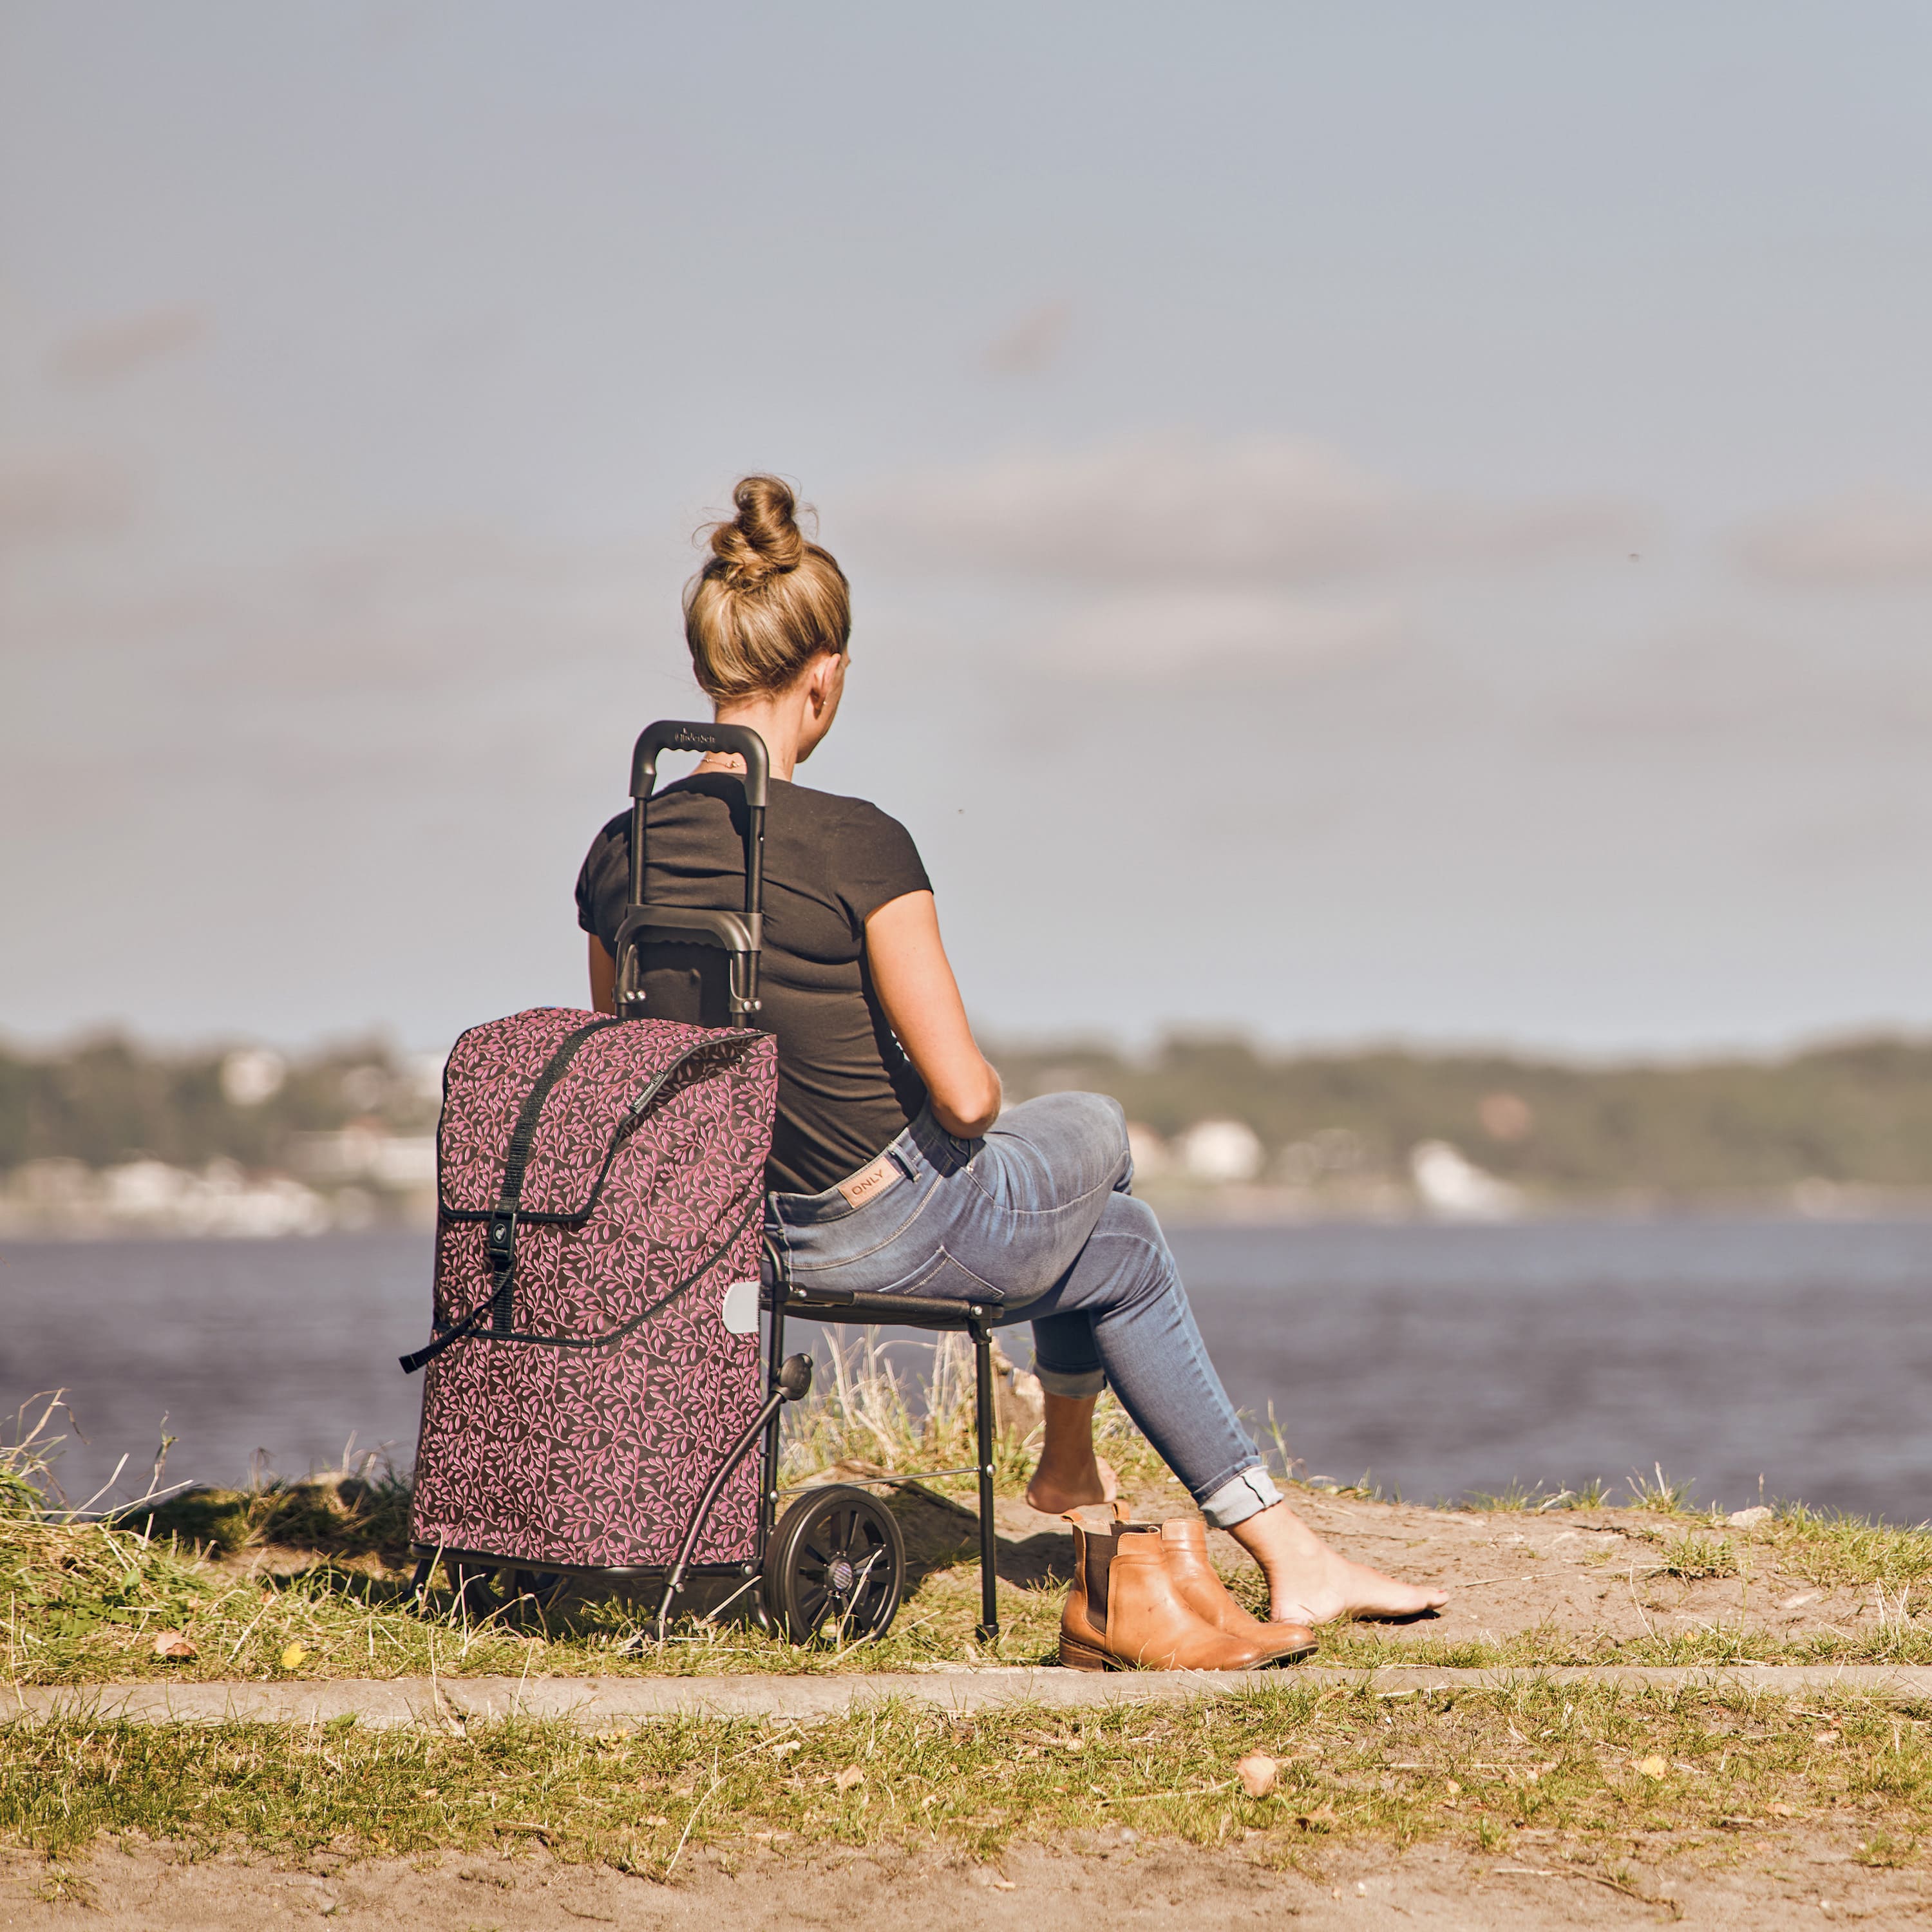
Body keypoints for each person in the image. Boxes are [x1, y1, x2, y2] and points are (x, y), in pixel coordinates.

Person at [576, 475, 1447, 1662]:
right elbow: (972, 1098)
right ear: (824, 674)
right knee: (1098, 1132)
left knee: (1120, 1248)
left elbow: (637, 1064)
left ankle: (1267, 1547)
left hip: (725, 1229)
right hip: (881, 1226)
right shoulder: (858, 842)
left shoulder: (620, 850)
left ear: (705, 673)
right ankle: (1134, 1488)